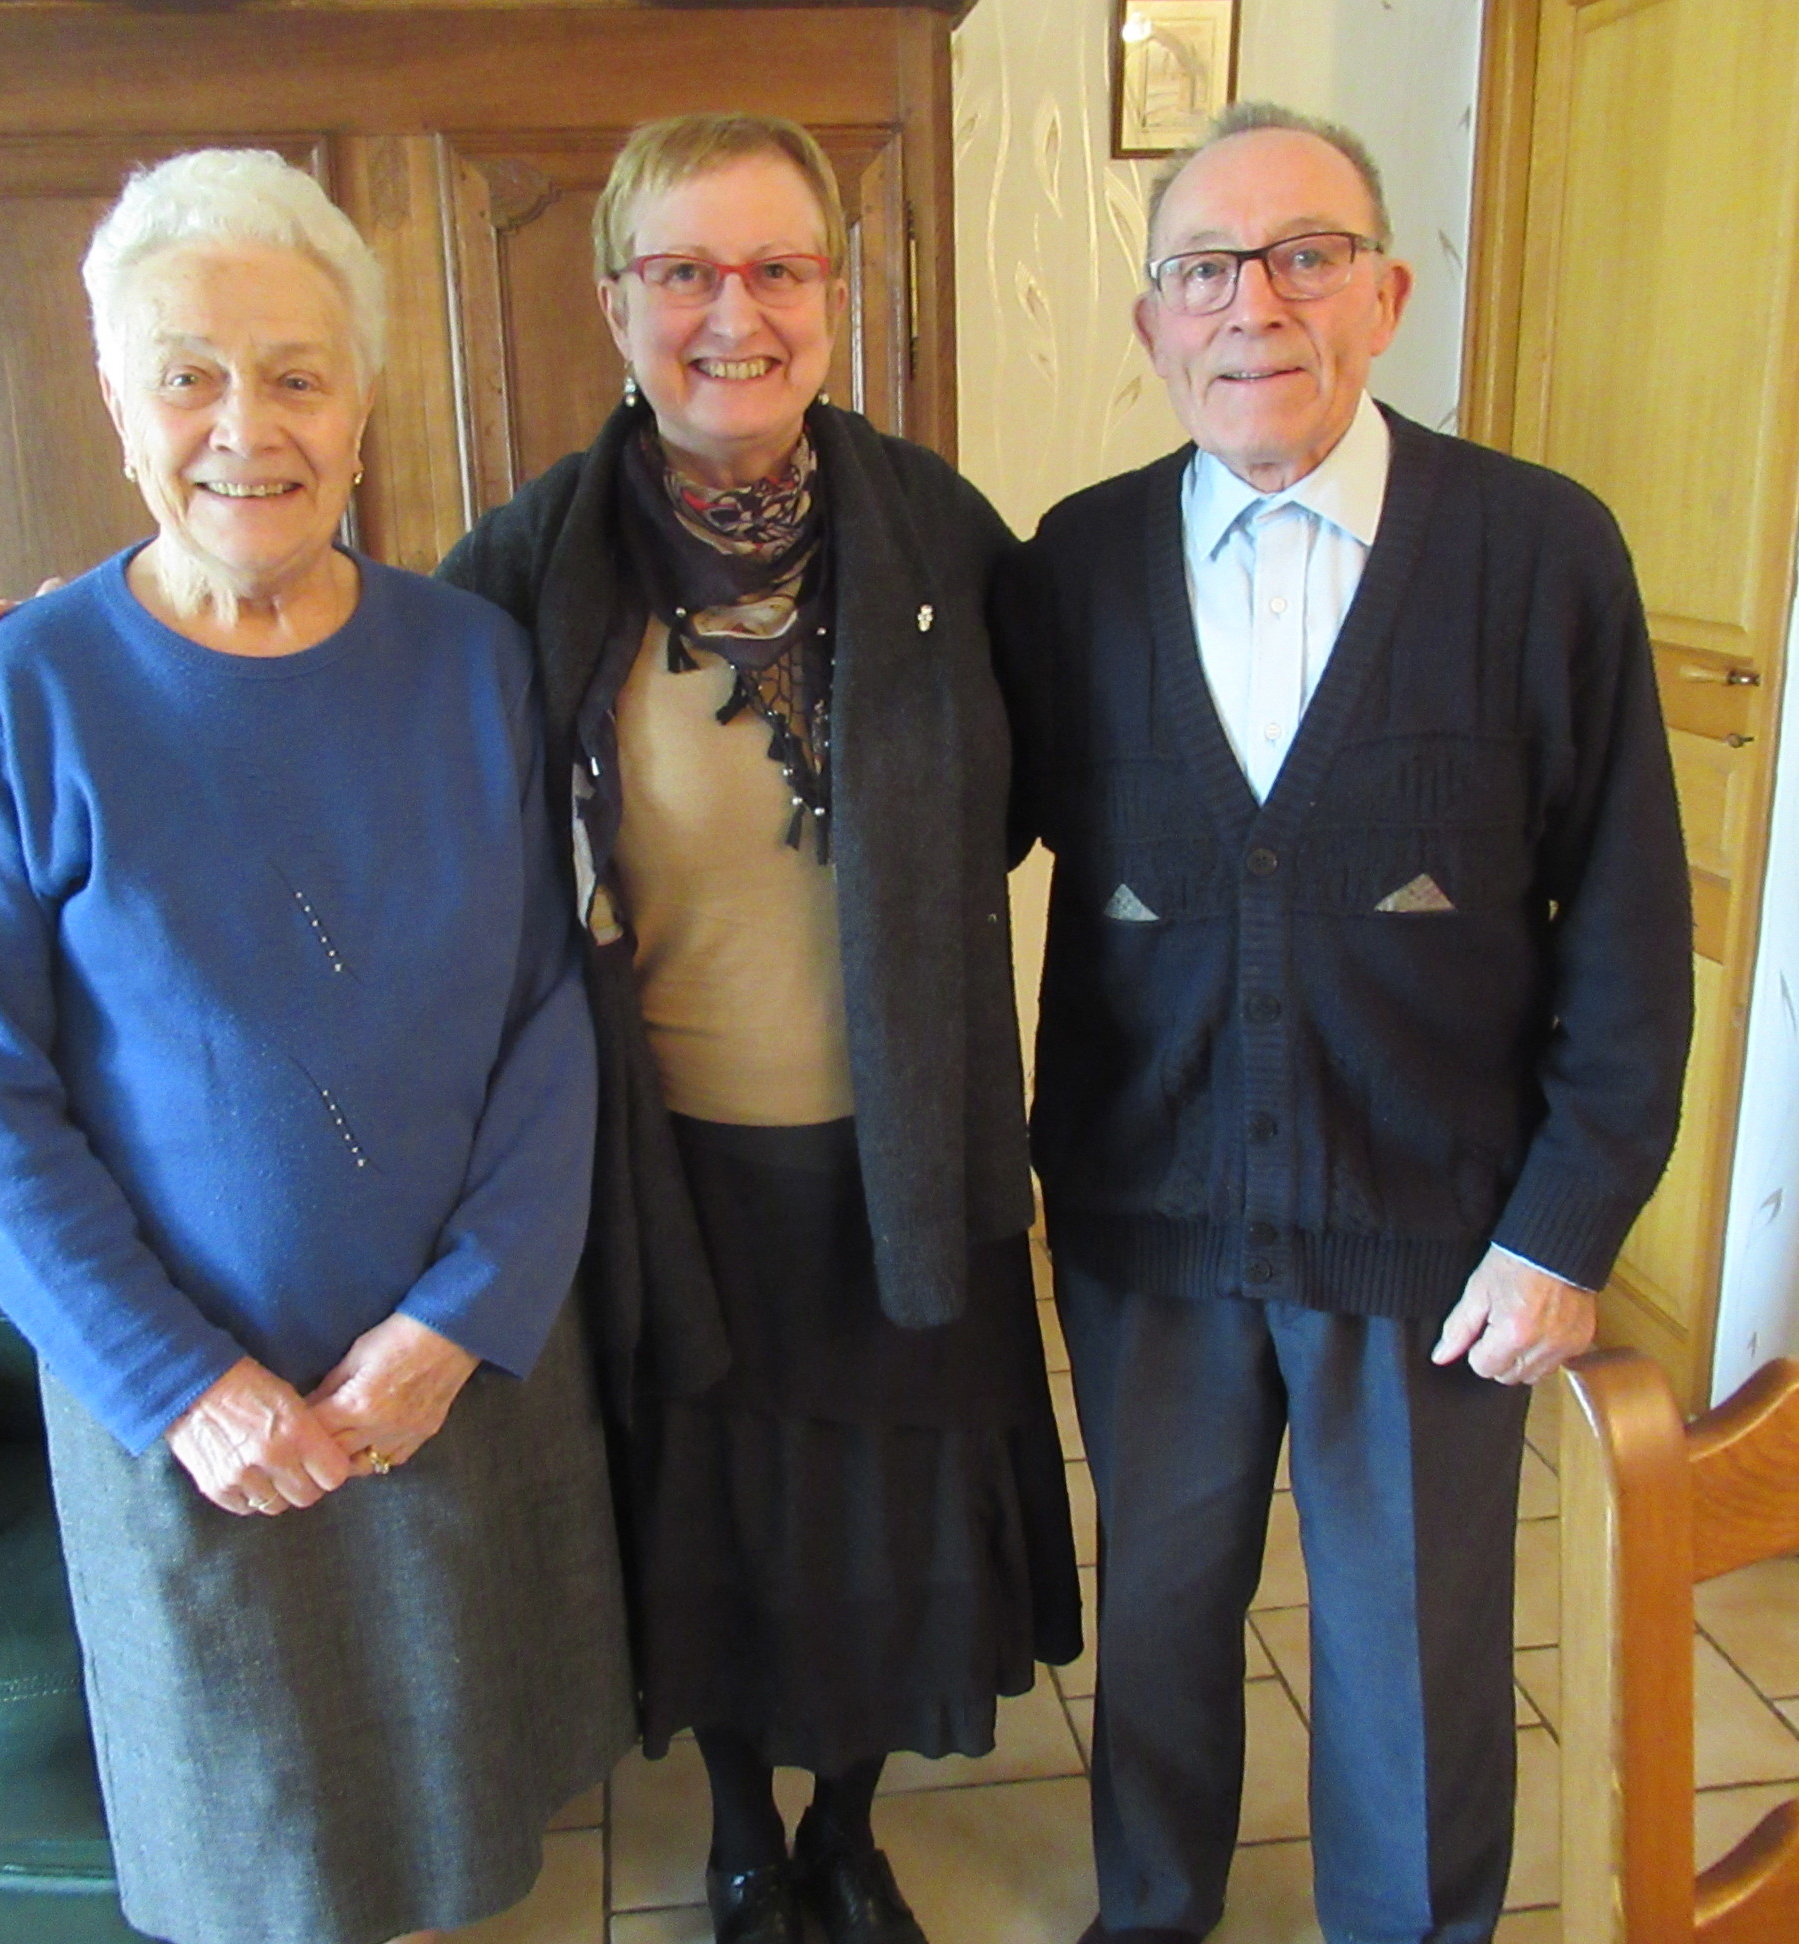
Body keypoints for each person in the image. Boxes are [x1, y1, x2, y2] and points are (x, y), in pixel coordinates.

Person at [0, 148, 631, 1944]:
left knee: (460, 1838)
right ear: (119, 406)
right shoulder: (16, 697)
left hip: (442, 1391)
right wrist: (181, 1385)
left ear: (362, 405)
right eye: (190, 376)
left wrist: (460, 1322)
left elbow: (547, 1013)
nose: (247, 427)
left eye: (298, 375)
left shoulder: (474, 664)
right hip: (188, 1418)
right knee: (258, 1865)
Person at [994, 103, 1694, 1944]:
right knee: (1158, 1623)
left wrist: (1567, 1228)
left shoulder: (1541, 553)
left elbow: (1631, 926)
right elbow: (948, 840)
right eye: (1205, 270)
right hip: (1149, 1221)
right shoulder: (1071, 569)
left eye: (1306, 257)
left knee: (1416, 1652)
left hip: (1438, 1236)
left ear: (1384, 296)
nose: (1255, 306)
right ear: (1152, 324)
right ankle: (1154, 1915)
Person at [436, 112, 1081, 1944]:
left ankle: (847, 1833)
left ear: (834, 294)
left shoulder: (940, 530)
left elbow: (1031, 781)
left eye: (779, 268)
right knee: (713, 1522)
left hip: (906, 1146)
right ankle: (737, 1833)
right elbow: (388, 769)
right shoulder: (528, 564)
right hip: (668, 1168)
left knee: (887, 1521)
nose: (738, 312)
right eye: (686, 272)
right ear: (615, 302)